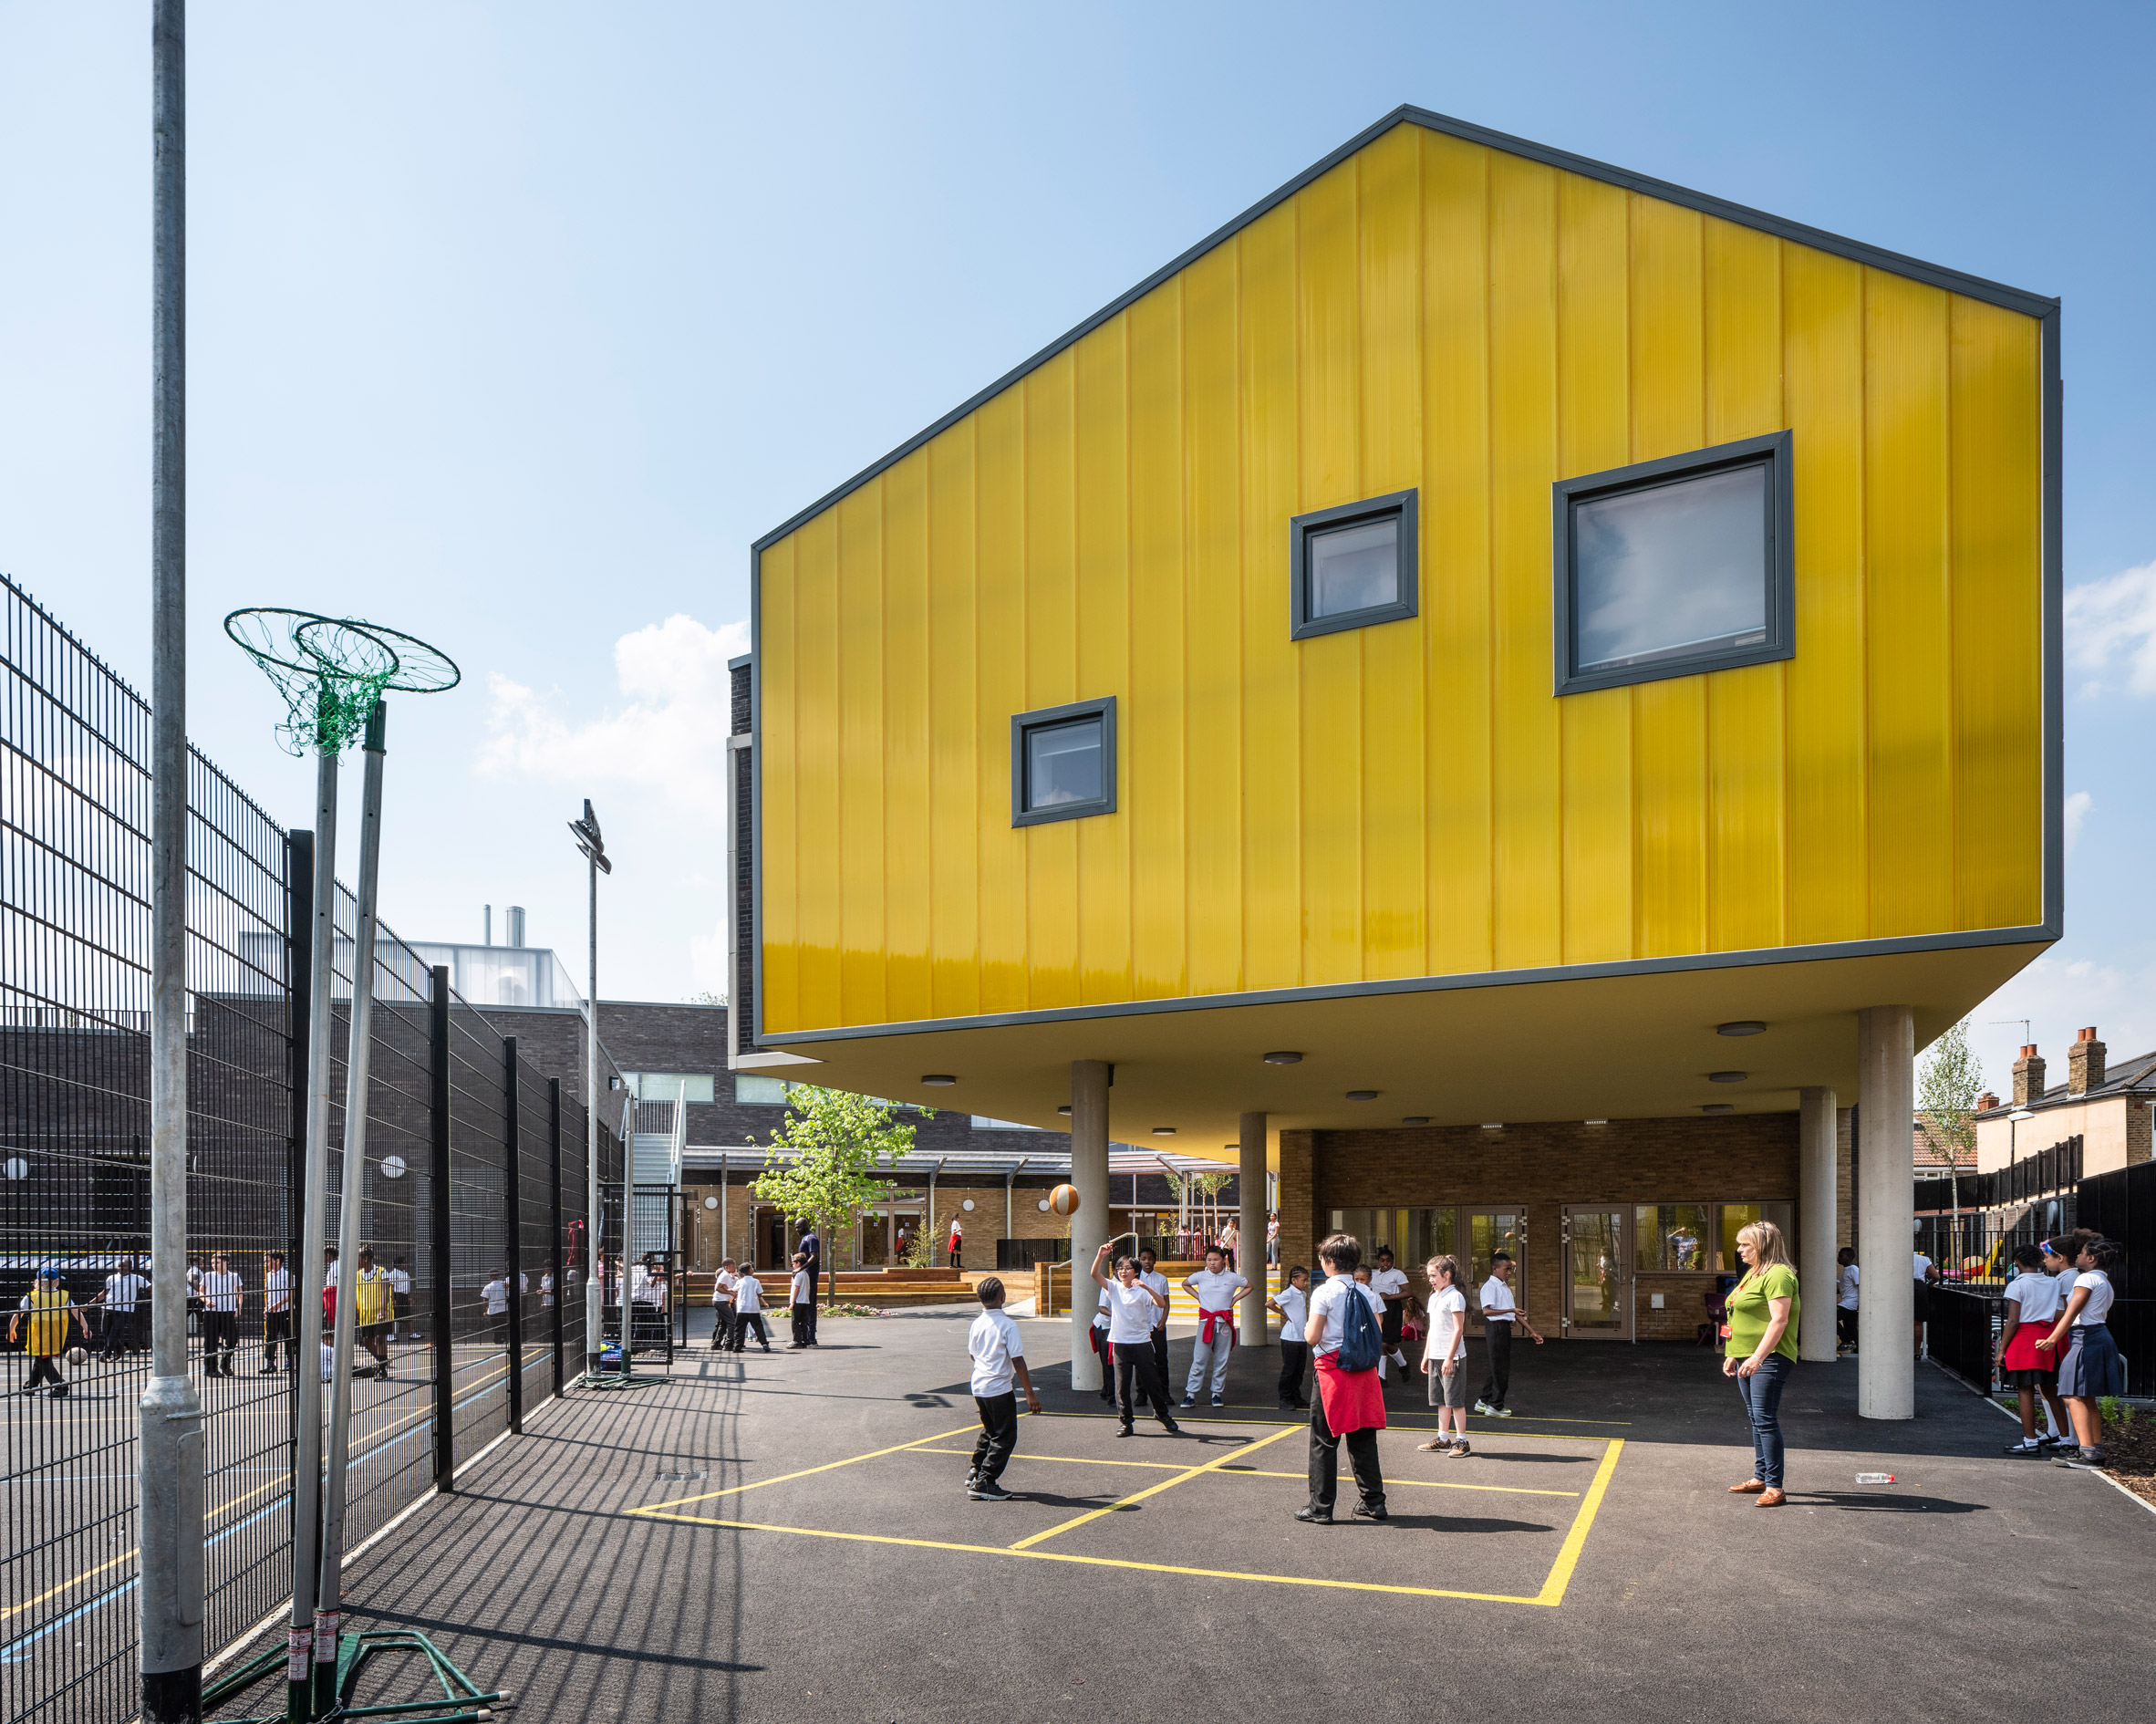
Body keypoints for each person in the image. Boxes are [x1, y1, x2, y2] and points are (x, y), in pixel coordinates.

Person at [1298, 1233, 1387, 1524]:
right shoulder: (1367, 1292)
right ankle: (1374, 1501)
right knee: (1363, 1437)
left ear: (1330, 1262)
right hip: (1363, 1370)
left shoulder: (1324, 1292)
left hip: (1332, 1371)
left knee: (1324, 1441)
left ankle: (1321, 1507)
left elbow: (1313, 1336)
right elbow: (1376, 1328)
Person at [1724, 1220, 1799, 1507]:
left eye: (1746, 1245)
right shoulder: (1753, 1273)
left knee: (1765, 1419)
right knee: (1756, 1418)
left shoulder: (1778, 1274)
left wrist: (1757, 1356)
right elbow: (1738, 1315)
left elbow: (1779, 1320)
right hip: (1747, 1355)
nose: (1740, 1250)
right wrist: (1734, 1352)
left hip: (1771, 1357)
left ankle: (1775, 1486)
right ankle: (1760, 1477)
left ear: (1764, 1247)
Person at [2036, 1237, 2124, 1468]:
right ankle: (2094, 1450)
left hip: (2085, 1339)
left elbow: (2071, 1312)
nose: (2078, 1255)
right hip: (2098, 1337)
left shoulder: (2085, 1278)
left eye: (2083, 1252)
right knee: (2087, 1398)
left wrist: (2052, 1339)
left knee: (2071, 1395)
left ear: (2091, 1258)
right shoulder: (2104, 1281)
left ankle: (2087, 1454)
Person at [964, 1277, 1042, 1502]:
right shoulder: (1008, 1325)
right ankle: (986, 1482)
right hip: (998, 1387)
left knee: (990, 1430)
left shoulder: (977, 1322)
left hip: (979, 1385)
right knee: (1005, 1436)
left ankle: (975, 1470)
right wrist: (1030, 1394)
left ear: (980, 1299)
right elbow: (1018, 1361)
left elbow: (972, 1354)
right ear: (1003, 1298)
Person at [1090, 1245, 1179, 1436]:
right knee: (1122, 1387)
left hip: (1142, 1344)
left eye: (1127, 1268)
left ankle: (1162, 1415)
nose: (1123, 1271)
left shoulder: (1142, 1290)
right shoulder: (1113, 1287)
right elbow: (1094, 1274)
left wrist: (1146, 1286)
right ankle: (1126, 1422)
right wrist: (1100, 1255)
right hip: (1121, 1345)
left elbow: (1161, 1304)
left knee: (1152, 1383)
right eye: (1120, 1268)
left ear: (1136, 1272)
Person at [1995, 1243, 2069, 1456]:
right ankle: (2065, 1439)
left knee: (2025, 1389)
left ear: (2017, 1263)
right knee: (2051, 1390)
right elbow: (2059, 1313)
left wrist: (2001, 1350)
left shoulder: (2017, 1285)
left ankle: (2030, 1441)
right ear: (2039, 1261)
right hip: (2048, 1337)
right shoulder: (2053, 1282)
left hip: (2024, 1340)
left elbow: (2013, 1321)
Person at [1180, 1246, 1249, 1407]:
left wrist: (1235, 1299)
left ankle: (1216, 1393)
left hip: (1224, 1324)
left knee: (1222, 1359)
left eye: (1215, 1260)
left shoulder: (1232, 1277)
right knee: (1199, 1359)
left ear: (1223, 1260)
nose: (1212, 1263)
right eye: (1209, 1260)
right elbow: (1185, 1284)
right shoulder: (1201, 1276)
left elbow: (1250, 1286)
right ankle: (1190, 1394)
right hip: (1206, 1323)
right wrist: (1199, 1298)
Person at [1417, 1254, 1471, 1457]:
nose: (1430, 1279)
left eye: (1433, 1275)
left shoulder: (1455, 1296)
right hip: (1435, 1356)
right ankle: (1442, 1438)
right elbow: (1432, 1329)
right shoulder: (1434, 1297)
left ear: (1446, 1275)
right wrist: (1426, 1355)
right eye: (1429, 1275)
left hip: (1452, 1358)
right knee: (1441, 1400)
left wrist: (1449, 1358)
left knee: (1454, 1401)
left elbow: (1458, 1330)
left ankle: (1462, 1441)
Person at [1476, 1251, 1541, 1416]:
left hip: (1504, 1327)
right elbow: (1487, 1311)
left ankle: (1483, 1400)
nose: (1509, 1272)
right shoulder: (1490, 1287)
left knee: (1497, 1365)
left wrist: (1532, 1331)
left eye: (1510, 1269)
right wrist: (1510, 1309)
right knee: (1501, 1368)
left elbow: (1515, 1314)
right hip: (1496, 1327)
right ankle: (1496, 1406)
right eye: (1506, 1269)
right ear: (1495, 1268)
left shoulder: (1504, 1287)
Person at [12, 1266, 89, 1397]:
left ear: (37, 1281)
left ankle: (60, 1385)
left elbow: (19, 1313)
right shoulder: (64, 1295)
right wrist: (85, 1327)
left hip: (39, 1332)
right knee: (41, 1358)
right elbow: (76, 1311)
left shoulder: (32, 1296)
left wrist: (11, 1328)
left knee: (43, 1359)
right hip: (57, 1332)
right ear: (56, 1281)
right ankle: (31, 1385)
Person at [1269, 1264, 1311, 1411]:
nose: (1306, 1283)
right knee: (1289, 1369)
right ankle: (1285, 1398)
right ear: (1294, 1280)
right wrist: (1284, 1314)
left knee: (1299, 1370)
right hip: (1290, 1338)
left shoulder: (1302, 1294)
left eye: (1307, 1280)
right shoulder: (1289, 1293)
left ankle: (1295, 1395)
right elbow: (1269, 1303)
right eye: (1303, 1280)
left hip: (1301, 1337)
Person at [350, 1247, 393, 1378]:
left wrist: (383, 1310)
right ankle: (382, 1361)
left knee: (380, 1339)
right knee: (366, 1341)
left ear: (365, 1258)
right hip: (365, 1314)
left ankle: (381, 1369)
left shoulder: (382, 1272)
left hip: (381, 1313)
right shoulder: (357, 1275)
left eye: (358, 1257)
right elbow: (357, 1294)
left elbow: (386, 1290)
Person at [200, 1252, 243, 1378]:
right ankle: (210, 1369)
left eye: (217, 1262)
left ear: (226, 1262)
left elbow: (239, 1293)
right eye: (212, 1263)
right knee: (211, 1341)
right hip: (211, 1312)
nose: (214, 1265)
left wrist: (238, 1307)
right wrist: (206, 1300)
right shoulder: (208, 1276)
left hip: (227, 1311)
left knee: (232, 1340)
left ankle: (225, 1363)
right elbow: (200, 1292)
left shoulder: (234, 1276)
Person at [1369, 1247, 1411, 1374]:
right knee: (1380, 1341)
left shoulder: (1397, 1274)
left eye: (1388, 1260)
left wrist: (1389, 1296)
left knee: (1386, 1342)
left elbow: (1408, 1292)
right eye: (1382, 1260)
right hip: (1376, 1307)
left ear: (1392, 1261)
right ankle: (1385, 1374)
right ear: (1378, 1262)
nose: (1385, 1263)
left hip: (1391, 1308)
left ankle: (1398, 1367)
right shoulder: (1373, 1274)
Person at [100, 1255, 147, 1359]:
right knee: (105, 1332)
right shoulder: (111, 1278)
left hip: (125, 1310)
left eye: (124, 1266)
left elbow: (151, 1287)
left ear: (131, 1268)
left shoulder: (137, 1279)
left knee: (114, 1333)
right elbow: (104, 1293)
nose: (121, 1268)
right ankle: (120, 1349)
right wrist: (89, 1304)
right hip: (108, 1308)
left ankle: (105, 1354)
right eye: (120, 1266)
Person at [1136, 1248, 1171, 1386]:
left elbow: (1166, 1302)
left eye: (1150, 1258)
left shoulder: (1162, 1279)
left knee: (1161, 1359)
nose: (1147, 1262)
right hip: (1141, 1326)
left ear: (1155, 1260)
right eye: (1144, 1259)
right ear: (1139, 1260)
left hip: (1158, 1324)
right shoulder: (1136, 1279)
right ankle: (1141, 1393)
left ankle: (1164, 1392)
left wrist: (1163, 1320)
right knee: (1141, 1360)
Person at [261, 1251, 293, 1373]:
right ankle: (270, 1363)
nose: (266, 1263)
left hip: (285, 1311)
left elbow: (292, 1293)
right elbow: (269, 1293)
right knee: (270, 1337)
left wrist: (278, 1304)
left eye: (268, 1261)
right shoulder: (269, 1275)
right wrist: (267, 1307)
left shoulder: (287, 1275)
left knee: (288, 1337)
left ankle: (289, 1361)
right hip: (271, 1312)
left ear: (277, 1261)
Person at [1912, 1238, 1942, 1361]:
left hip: (1901, 1287)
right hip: (1919, 1288)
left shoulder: (1897, 1258)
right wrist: (1929, 1284)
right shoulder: (1923, 1259)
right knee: (1918, 1322)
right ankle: (1916, 1352)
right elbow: (1936, 1276)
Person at [733, 1260, 772, 1351]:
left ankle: (737, 1346)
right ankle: (764, 1344)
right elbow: (759, 1293)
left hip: (742, 1308)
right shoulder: (755, 1281)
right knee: (758, 1326)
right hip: (753, 1308)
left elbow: (734, 1290)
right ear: (750, 1271)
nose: (753, 1269)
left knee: (739, 1328)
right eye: (751, 1268)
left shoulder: (740, 1281)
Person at [797, 1226, 823, 1345]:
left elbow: (814, 1256)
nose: (797, 1229)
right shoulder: (805, 1238)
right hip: (805, 1277)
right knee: (805, 1305)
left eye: (798, 1227)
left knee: (811, 1305)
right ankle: (805, 1335)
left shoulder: (811, 1238)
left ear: (805, 1226)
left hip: (810, 1277)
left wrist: (800, 1269)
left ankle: (811, 1336)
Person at [1834, 1247, 1860, 1355]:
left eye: (1841, 1256)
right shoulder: (1846, 1270)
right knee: (1851, 1328)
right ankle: (1858, 1352)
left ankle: (1846, 1340)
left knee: (1830, 1317)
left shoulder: (1853, 1269)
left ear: (1849, 1257)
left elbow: (1860, 1285)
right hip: (1848, 1303)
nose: (1838, 1258)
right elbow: (1846, 1288)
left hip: (1850, 1303)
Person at [710, 1258, 739, 1351]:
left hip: (721, 1301)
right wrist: (730, 1293)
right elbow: (718, 1288)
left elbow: (723, 1288)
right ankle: (728, 1344)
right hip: (720, 1301)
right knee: (732, 1322)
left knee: (723, 1323)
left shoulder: (727, 1275)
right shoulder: (725, 1275)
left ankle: (716, 1343)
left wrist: (729, 1291)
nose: (735, 1268)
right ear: (726, 1267)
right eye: (733, 1266)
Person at [787, 1252, 814, 1349]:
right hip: (805, 1301)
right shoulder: (806, 1274)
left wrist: (792, 1302)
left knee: (795, 1322)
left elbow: (796, 1288)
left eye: (793, 1264)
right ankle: (804, 1340)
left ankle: (796, 1340)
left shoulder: (799, 1274)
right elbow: (808, 1289)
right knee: (803, 1322)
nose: (793, 1266)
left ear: (798, 1263)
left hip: (798, 1301)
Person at [482, 1270, 511, 1347]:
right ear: (498, 1276)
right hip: (503, 1308)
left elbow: (485, 1299)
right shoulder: (504, 1285)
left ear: (490, 1277)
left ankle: (497, 1339)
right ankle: (503, 1337)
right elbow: (508, 1296)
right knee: (503, 1324)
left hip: (493, 1309)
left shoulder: (488, 1287)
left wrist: (485, 1310)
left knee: (495, 1325)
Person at [388, 1255, 413, 1342]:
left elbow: (407, 1286)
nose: (405, 1265)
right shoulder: (394, 1273)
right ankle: (390, 1334)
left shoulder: (405, 1273)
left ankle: (412, 1333)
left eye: (406, 1263)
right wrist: (393, 1299)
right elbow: (391, 1287)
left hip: (405, 1296)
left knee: (407, 1315)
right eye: (403, 1263)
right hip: (397, 1296)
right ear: (398, 1264)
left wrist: (409, 1297)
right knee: (394, 1316)